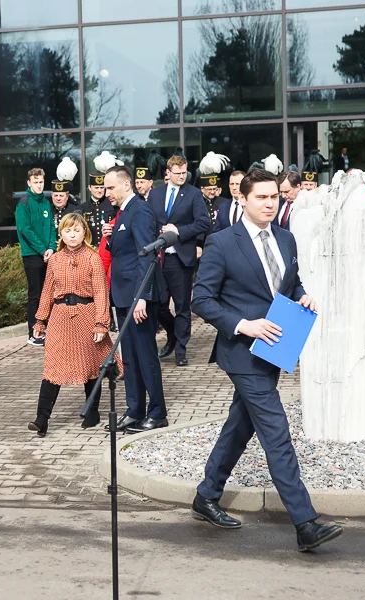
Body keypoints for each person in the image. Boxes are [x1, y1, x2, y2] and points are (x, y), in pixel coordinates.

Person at [190, 168, 343, 552]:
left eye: (274, 196)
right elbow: (201, 300)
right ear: (242, 199)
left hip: (275, 350)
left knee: (240, 425)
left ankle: (206, 495)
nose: (270, 203)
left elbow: (290, 284)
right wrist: (244, 325)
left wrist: (304, 294)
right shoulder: (222, 242)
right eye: (261, 197)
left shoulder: (287, 239)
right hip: (242, 353)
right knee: (276, 432)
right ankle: (305, 524)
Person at [27, 212, 117, 436]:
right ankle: (42, 418)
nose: (73, 235)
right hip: (59, 316)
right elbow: (47, 291)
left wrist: (101, 324)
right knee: (53, 366)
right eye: (68, 231)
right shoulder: (55, 260)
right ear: (61, 233)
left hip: (87, 314)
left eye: (77, 230)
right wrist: (40, 320)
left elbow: (100, 292)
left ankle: (92, 411)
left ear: (84, 232)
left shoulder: (92, 257)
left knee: (90, 364)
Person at [101, 165, 167, 433]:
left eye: (110, 187)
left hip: (137, 298)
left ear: (126, 185)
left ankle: (157, 412)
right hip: (124, 296)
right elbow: (126, 251)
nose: (107, 193)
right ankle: (135, 410)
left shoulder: (139, 210)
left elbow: (147, 256)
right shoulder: (123, 212)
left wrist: (142, 297)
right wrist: (110, 238)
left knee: (145, 356)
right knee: (129, 358)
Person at [148, 154, 212, 367]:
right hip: (159, 258)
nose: (182, 176)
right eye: (177, 173)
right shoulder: (155, 194)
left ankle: (181, 350)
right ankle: (174, 334)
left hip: (180, 257)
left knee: (183, 306)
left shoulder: (193, 194)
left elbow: (203, 223)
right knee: (158, 304)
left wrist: (179, 231)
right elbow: (149, 221)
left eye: (184, 173)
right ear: (168, 173)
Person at [16, 168, 56, 347]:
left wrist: (51, 248)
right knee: (35, 295)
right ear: (29, 183)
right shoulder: (23, 203)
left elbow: (51, 229)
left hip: (48, 254)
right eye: (36, 182)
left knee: (49, 294)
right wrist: (42, 250)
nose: (39, 185)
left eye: (41, 182)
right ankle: (33, 333)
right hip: (32, 255)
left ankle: (47, 329)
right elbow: (25, 230)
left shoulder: (46, 203)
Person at [86, 173, 116, 247]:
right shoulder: (83, 207)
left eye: (102, 187)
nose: (99, 190)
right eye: (96, 188)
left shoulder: (112, 205)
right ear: (89, 187)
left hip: (108, 247)